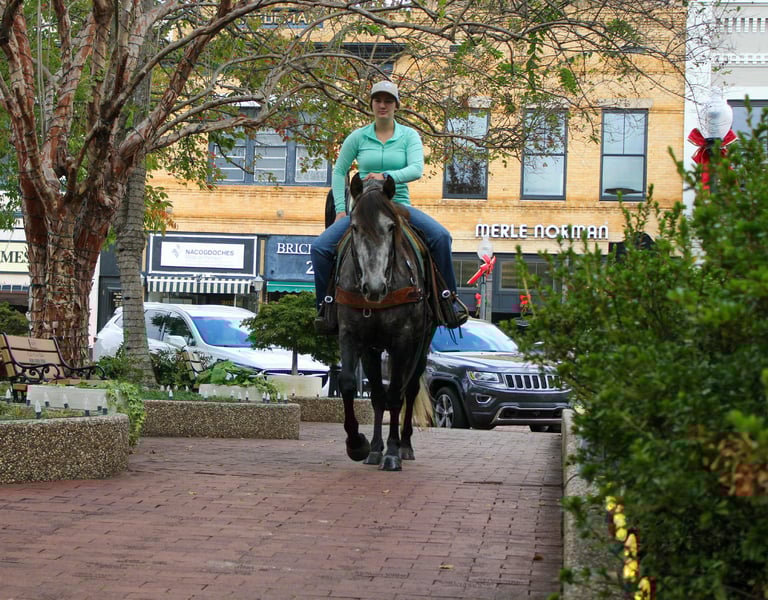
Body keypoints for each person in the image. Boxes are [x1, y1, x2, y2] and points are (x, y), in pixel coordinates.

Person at [311, 80, 467, 334]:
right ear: (371, 104)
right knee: (319, 248)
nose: (382, 105)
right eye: (378, 100)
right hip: (363, 210)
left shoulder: (409, 136)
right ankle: (325, 307)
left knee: (441, 237)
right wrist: (340, 210)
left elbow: (416, 169)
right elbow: (339, 172)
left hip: (398, 205)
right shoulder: (358, 137)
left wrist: (385, 176)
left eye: (388, 101)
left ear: (396, 105)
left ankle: (448, 300)